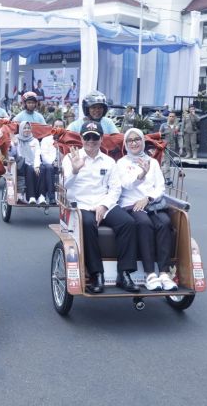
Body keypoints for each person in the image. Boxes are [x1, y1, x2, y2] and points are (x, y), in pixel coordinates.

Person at [62, 120, 139, 294]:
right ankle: (96, 274)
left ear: (101, 139)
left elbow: (115, 188)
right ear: (81, 138)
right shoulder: (71, 158)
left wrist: (104, 205)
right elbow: (65, 185)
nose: (91, 141)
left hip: (104, 203)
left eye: (95, 137)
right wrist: (75, 170)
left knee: (127, 222)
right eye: (87, 137)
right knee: (88, 225)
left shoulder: (109, 161)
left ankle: (124, 273)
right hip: (80, 204)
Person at [115, 128, 178, 292]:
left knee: (165, 222)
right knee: (144, 223)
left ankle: (164, 272)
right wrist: (141, 174)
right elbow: (125, 185)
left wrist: (148, 198)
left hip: (151, 203)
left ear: (143, 141)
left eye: (137, 139)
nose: (134, 143)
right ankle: (150, 273)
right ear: (125, 144)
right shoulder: (122, 163)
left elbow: (160, 187)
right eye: (130, 140)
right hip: (131, 204)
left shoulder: (153, 162)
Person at [9, 121, 41, 204]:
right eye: (24, 128)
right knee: (26, 166)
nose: (27, 130)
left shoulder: (34, 140)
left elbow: (37, 154)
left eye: (28, 128)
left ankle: (37, 197)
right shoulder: (15, 139)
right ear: (20, 129)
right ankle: (28, 196)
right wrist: (15, 144)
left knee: (35, 168)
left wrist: (36, 166)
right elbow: (12, 154)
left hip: (32, 163)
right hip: (19, 164)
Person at [39, 118, 65, 205]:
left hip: (63, 164)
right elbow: (44, 155)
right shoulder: (46, 140)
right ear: (52, 127)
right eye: (56, 126)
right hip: (49, 164)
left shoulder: (67, 140)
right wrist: (53, 162)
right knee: (49, 168)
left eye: (61, 126)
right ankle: (51, 197)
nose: (58, 128)